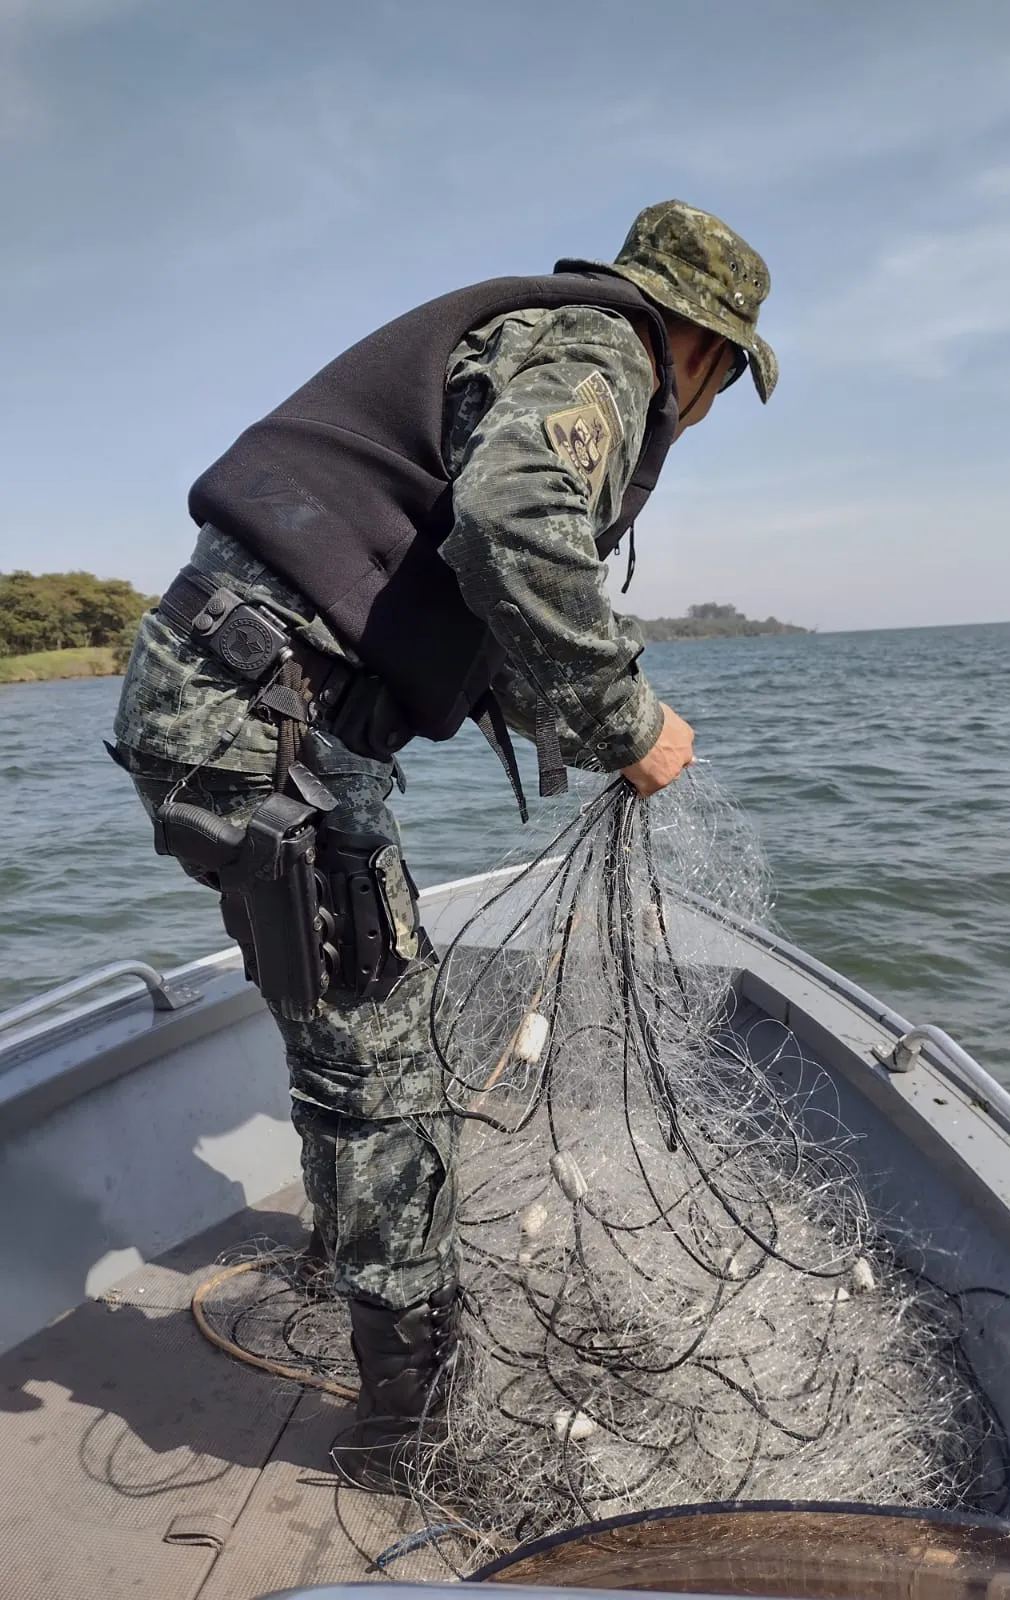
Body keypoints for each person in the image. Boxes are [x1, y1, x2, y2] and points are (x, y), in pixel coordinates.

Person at [110, 199, 777, 1491]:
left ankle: (338, 1260)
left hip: (230, 701)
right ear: (696, 345)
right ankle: (407, 1429)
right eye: (717, 379)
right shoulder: (605, 353)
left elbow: (449, 595)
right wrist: (626, 717)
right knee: (388, 1058)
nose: (695, 415)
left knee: (340, 1020)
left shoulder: (533, 334)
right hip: (260, 715)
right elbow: (516, 511)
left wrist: (572, 724)